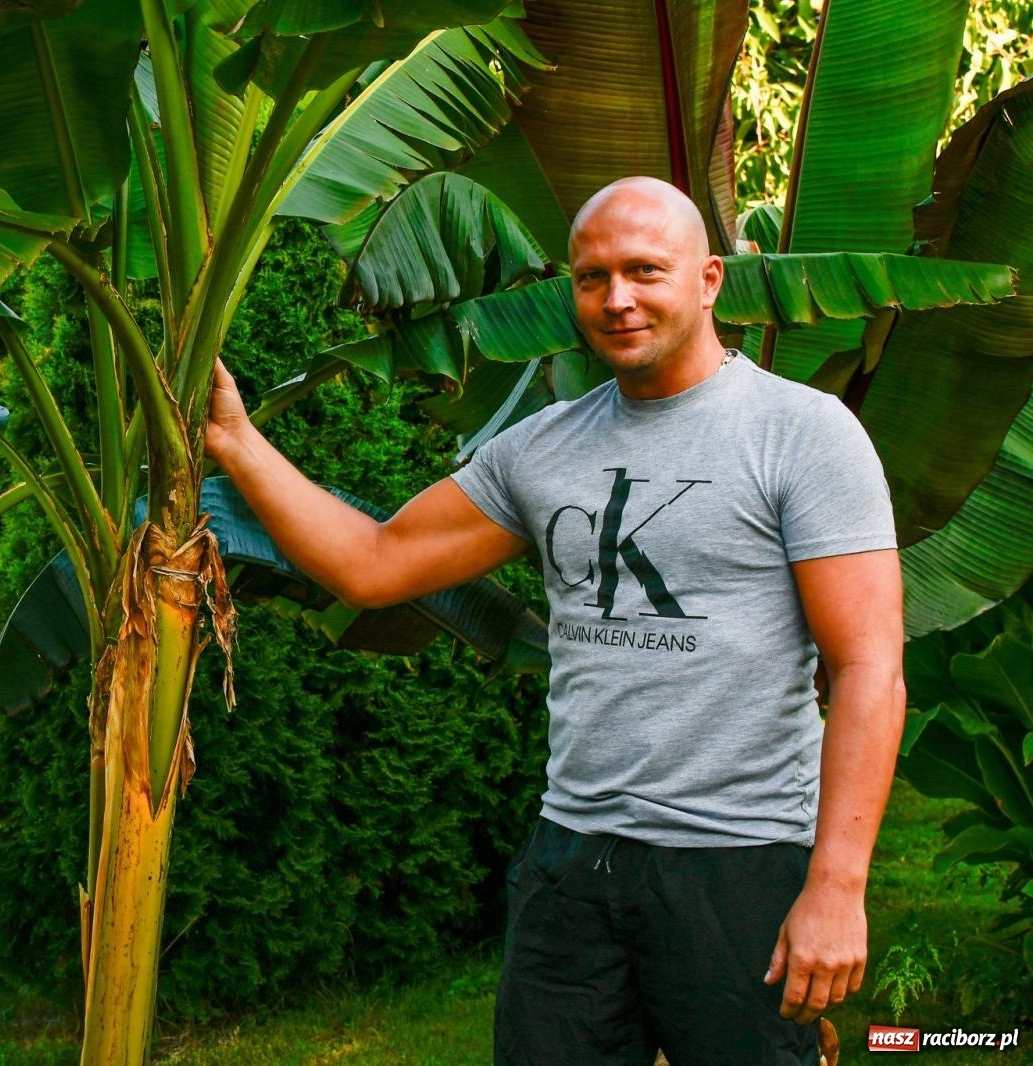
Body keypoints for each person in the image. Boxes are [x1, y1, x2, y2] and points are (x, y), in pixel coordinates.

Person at [204, 176, 905, 1065]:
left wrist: (837, 886)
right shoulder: (542, 448)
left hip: (738, 861)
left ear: (709, 281)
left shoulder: (801, 434)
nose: (617, 299)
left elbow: (869, 668)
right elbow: (374, 562)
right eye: (592, 277)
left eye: (645, 270)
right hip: (572, 860)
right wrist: (237, 442)